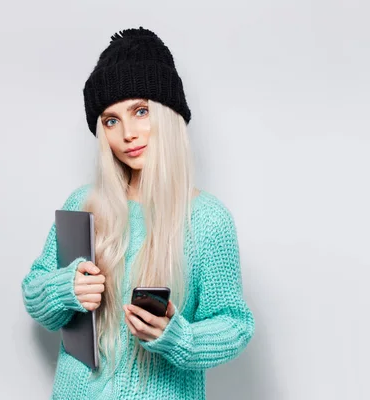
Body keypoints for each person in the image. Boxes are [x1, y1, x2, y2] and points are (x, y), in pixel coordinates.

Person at [21, 26, 255, 400]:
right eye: (111, 120)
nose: (127, 133)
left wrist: (179, 337)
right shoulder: (83, 204)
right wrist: (65, 289)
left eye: (141, 111)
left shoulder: (208, 220)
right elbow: (34, 292)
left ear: (168, 114)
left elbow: (235, 325)